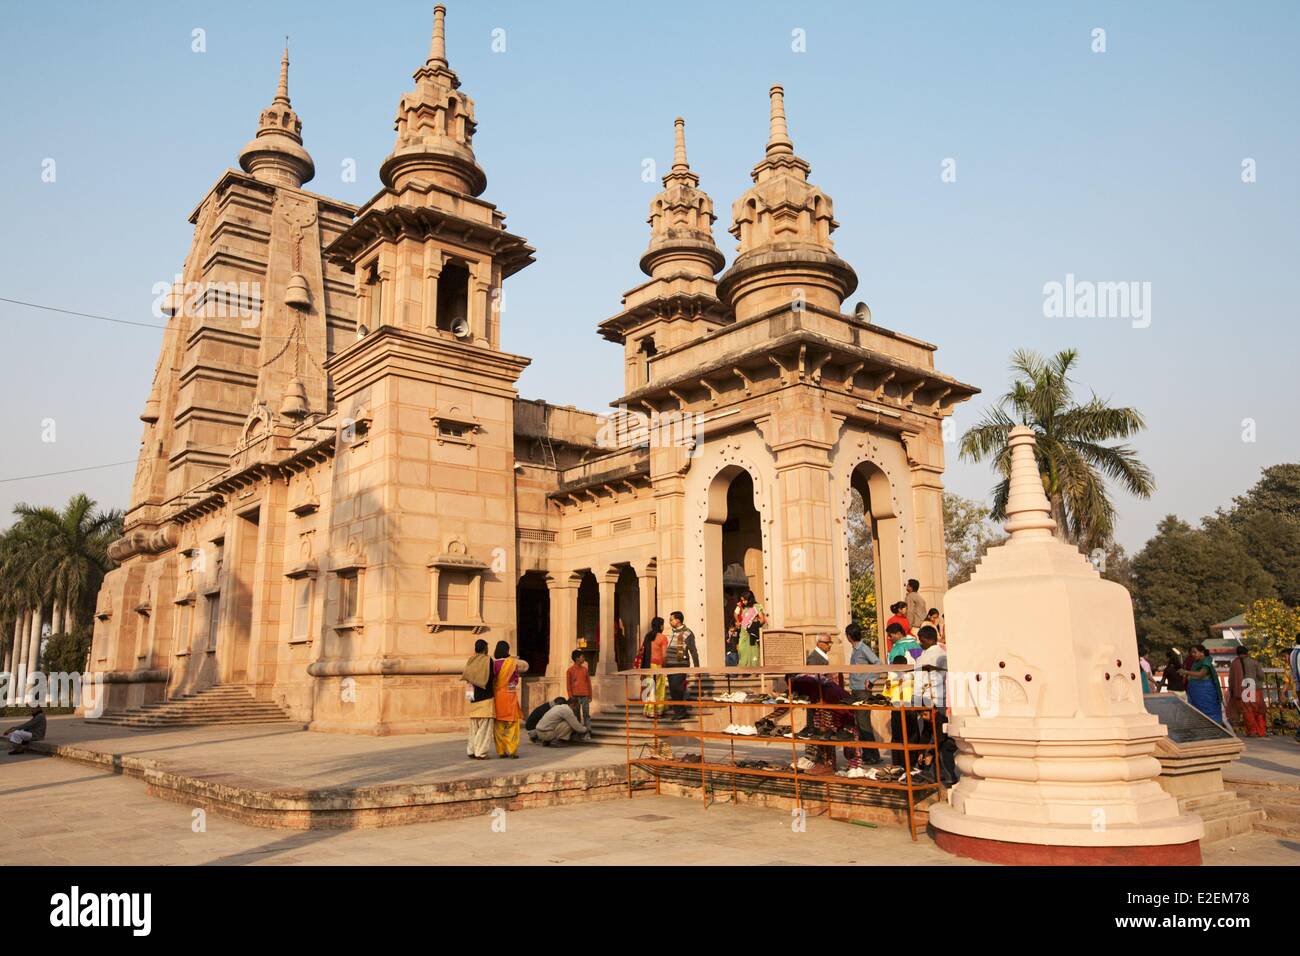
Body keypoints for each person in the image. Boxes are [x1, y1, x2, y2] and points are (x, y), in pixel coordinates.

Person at [915, 625, 955, 784]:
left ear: (928, 639)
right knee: (939, 737)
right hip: (942, 701)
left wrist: (918, 703)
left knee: (935, 738)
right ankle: (940, 773)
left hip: (928, 702)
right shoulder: (944, 654)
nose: (920, 643)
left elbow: (918, 681)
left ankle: (937, 772)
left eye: (921, 640)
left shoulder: (925, 658)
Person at [844, 622, 881, 766]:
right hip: (856, 690)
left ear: (848, 636)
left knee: (864, 724)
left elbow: (878, 663)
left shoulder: (863, 649)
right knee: (861, 724)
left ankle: (871, 755)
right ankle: (870, 754)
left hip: (862, 691)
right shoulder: (856, 649)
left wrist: (871, 680)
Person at [491, 640, 529, 758]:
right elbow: (515, 681)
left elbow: (492, 680)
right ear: (507, 650)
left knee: (498, 725)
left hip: (497, 697)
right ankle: (512, 750)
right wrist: (509, 689)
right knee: (512, 725)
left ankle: (501, 751)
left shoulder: (493, 664)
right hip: (510, 696)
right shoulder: (513, 664)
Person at [461, 640, 495, 760]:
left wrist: (470, 696)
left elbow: (468, 679)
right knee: (484, 728)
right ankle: (480, 752)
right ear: (485, 649)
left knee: (473, 727)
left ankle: (471, 750)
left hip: (473, 698)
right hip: (486, 698)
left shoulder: (471, 660)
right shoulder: (488, 660)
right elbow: (491, 677)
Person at [664, 611, 700, 719]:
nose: (670, 622)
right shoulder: (671, 633)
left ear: (678, 620)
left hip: (680, 665)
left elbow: (693, 651)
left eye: (671, 619)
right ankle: (679, 712)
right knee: (673, 689)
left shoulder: (688, 633)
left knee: (677, 688)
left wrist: (697, 668)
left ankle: (681, 712)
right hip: (670, 665)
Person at [1229, 645, 1268, 737]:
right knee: (1259, 710)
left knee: (1247, 711)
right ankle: (1261, 731)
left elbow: (1231, 679)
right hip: (1255, 689)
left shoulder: (1234, 664)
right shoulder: (1254, 662)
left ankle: (1252, 731)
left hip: (1242, 691)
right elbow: (1261, 676)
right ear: (1247, 653)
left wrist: (1232, 691)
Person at [1182, 644, 1224, 725]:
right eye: (1191, 653)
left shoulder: (1206, 661)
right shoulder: (1195, 662)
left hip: (1206, 693)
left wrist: (1186, 672)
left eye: (1195, 652)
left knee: (1209, 713)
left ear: (1202, 653)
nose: (1192, 654)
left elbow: (1201, 674)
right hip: (1196, 694)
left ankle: (1214, 729)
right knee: (1198, 713)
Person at [639, 617, 668, 717]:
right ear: (660, 626)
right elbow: (664, 655)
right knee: (658, 687)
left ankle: (648, 710)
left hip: (647, 665)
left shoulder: (647, 636)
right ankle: (656, 710)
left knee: (649, 687)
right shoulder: (662, 638)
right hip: (657, 666)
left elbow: (641, 651)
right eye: (663, 624)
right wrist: (665, 666)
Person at [733, 590, 766, 667]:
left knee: (753, 651)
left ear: (750, 599)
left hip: (752, 633)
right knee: (742, 650)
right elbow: (739, 616)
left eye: (745, 600)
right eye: (742, 600)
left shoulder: (756, 606)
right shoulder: (743, 607)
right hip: (743, 633)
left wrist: (753, 625)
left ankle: (754, 671)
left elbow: (762, 620)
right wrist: (738, 622)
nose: (743, 602)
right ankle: (743, 670)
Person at [565, 650, 593, 738]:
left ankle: (588, 732)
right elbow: (568, 685)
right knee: (576, 716)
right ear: (577, 658)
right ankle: (578, 733)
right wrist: (570, 697)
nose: (584, 658)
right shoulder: (570, 671)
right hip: (575, 697)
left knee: (586, 714)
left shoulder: (585, 670)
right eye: (582, 657)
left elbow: (588, 683)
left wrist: (590, 695)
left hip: (585, 696)